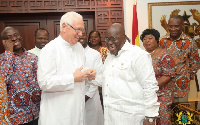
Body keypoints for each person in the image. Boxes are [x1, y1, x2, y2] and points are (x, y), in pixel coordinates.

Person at [92, 23, 160, 125]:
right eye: (107, 39)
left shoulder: (138, 55)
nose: (109, 42)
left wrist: (150, 117)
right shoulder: (110, 56)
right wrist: (89, 76)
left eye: (113, 39)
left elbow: (149, 86)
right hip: (111, 116)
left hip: (132, 117)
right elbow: (107, 80)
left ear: (124, 37)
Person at [37, 11, 96, 125]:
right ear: (64, 27)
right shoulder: (50, 49)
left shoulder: (79, 47)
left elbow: (78, 69)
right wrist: (72, 78)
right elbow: (44, 83)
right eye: (77, 29)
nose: (80, 34)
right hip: (57, 115)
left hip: (77, 112)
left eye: (82, 30)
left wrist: (88, 72)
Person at [0, 27, 41, 125]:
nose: (14, 39)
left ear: (20, 37)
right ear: (4, 42)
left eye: (15, 35)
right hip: (16, 117)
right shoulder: (2, 60)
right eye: (8, 37)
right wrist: (9, 53)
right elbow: (3, 81)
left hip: (36, 112)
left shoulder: (33, 57)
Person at [159, 15, 200, 102]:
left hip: (182, 85)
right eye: (171, 26)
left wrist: (189, 76)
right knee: (166, 113)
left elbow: (195, 62)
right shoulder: (162, 41)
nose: (173, 29)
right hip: (165, 86)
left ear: (182, 26)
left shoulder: (190, 42)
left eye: (176, 26)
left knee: (181, 112)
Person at [141, 29, 176, 125]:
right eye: (144, 39)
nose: (147, 40)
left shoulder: (165, 54)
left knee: (162, 120)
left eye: (150, 38)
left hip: (162, 94)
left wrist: (152, 87)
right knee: (148, 120)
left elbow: (168, 75)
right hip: (146, 95)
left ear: (157, 40)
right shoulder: (141, 55)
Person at [78, 32, 104, 125]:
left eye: (83, 34)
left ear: (87, 38)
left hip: (91, 97)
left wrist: (87, 95)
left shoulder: (95, 54)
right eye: (78, 35)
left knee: (92, 121)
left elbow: (98, 76)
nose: (81, 37)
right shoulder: (70, 54)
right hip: (75, 97)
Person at [88, 30, 109, 107]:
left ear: (99, 38)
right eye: (91, 37)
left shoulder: (105, 50)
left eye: (95, 37)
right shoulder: (86, 51)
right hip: (89, 82)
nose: (93, 39)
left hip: (102, 83)